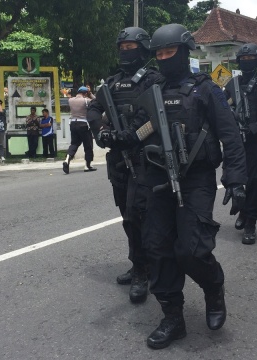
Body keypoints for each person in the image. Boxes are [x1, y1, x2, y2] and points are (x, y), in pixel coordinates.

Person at [132, 24, 247, 349]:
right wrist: (128, 137)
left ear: (184, 53)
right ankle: (173, 318)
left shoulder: (205, 90)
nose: (165, 58)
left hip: (196, 178)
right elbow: (141, 128)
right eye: (160, 54)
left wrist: (236, 181)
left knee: (192, 249)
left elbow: (230, 136)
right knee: (157, 247)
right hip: (157, 177)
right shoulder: (152, 89)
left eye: (170, 52)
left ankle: (213, 287)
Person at [87, 26, 164, 304]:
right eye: (122, 47)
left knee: (139, 215)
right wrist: (102, 132)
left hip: (144, 159)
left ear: (143, 50)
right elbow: (94, 109)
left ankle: (146, 271)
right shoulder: (112, 81)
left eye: (131, 47)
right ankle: (137, 263)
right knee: (127, 217)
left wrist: (130, 134)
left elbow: (152, 116)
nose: (125, 52)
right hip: (118, 160)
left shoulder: (155, 79)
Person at [224, 42, 257, 244]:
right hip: (235, 142)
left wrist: (252, 128)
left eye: (250, 59)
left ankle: (250, 223)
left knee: (254, 183)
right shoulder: (232, 84)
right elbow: (222, 107)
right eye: (243, 59)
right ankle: (242, 209)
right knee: (233, 179)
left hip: (254, 142)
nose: (247, 62)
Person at [63, 86, 96, 173]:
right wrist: (90, 94)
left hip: (73, 123)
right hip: (84, 124)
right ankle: (87, 165)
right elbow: (96, 102)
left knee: (74, 143)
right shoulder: (86, 100)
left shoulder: (71, 100)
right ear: (85, 93)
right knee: (88, 145)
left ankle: (67, 159)